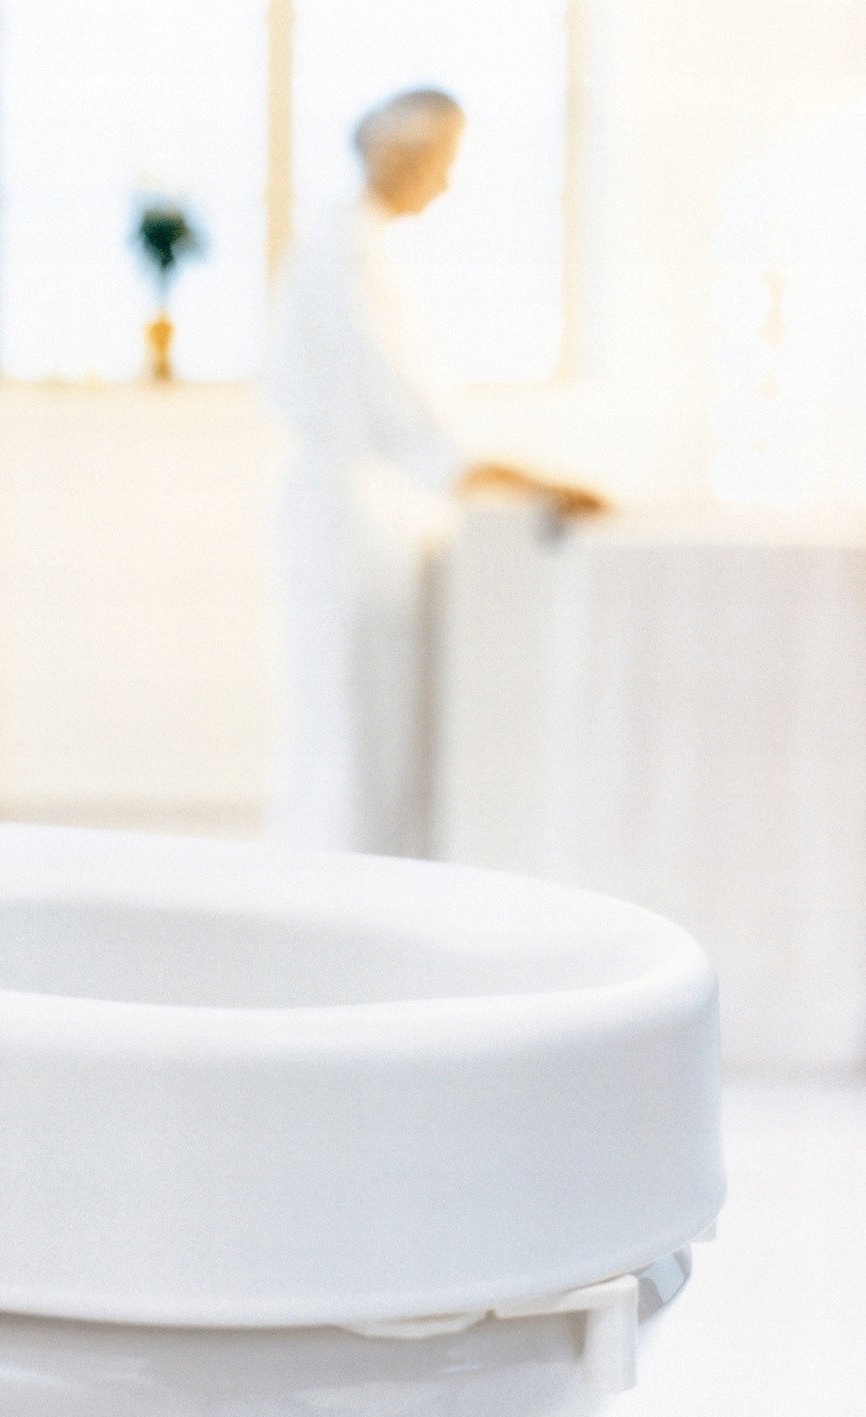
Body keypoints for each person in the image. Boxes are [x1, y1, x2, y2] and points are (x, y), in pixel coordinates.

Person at [267, 86, 601, 856]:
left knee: (363, 731)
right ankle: (349, 901)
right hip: (349, 522)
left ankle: (364, 891)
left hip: (366, 514)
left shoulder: (362, 246)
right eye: (442, 161)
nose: (446, 183)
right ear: (397, 150)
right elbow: (406, 411)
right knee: (356, 736)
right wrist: (525, 478)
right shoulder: (345, 254)